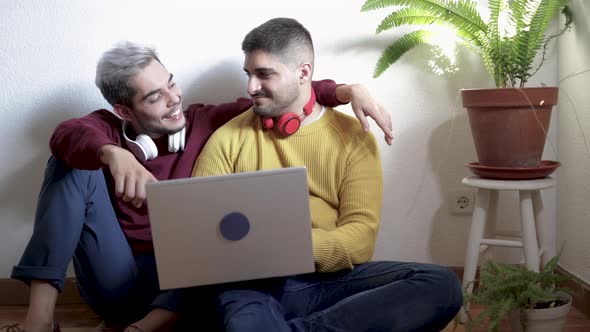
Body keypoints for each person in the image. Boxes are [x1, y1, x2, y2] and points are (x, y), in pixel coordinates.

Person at [5, 40, 393, 332]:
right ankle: (39, 321)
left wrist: (345, 91)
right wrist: (112, 153)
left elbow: (281, 92)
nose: (174, 100)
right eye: (156, 97)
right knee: (69, 164)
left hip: (189, 282)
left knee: (218, 243)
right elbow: (66, 134)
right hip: (116, 278)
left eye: (171, 85)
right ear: (124, 110)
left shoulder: (208, 122)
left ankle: (154, 323)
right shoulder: (103, 129)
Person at [191, 17, 463, 331]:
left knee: (441, 284)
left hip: (331, 281)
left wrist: (293, 247)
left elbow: (360, 238)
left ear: (303, 72)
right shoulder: (228, 138)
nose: (251, 87)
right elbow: (201, 235)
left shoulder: (352, 137)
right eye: (249, 75)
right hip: (252, 283)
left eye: (264, 74)